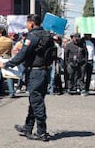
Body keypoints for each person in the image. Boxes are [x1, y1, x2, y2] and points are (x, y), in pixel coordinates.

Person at [4, 13, 56, 141]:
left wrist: (7, 64)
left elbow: (22, 54)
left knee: (37, 102)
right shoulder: (47, 35)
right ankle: (28, 127)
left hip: (35, 73)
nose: (27, 26)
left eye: (27, 24)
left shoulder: (33, 36)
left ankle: (41, 132)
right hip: (44, 72)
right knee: (35, 100)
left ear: (32, 23)